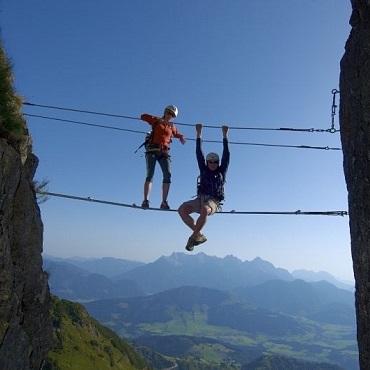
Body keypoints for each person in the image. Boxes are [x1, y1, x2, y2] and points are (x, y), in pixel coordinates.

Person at [178, 123, 230, 251]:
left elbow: (226, 155)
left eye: (215, 162)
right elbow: (198, 153)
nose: (213, 163)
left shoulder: (221, 171)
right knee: (181, 210)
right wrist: (199, 133)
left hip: (214, 201)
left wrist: (225, 135)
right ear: (207, 163)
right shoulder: (203, 169)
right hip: (200, 199)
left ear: (218, 163)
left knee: (204, 210)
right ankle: (198, 235)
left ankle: (193, 237)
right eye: (210, 162)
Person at [140, 105, 186, 210]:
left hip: (164, 152)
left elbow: (177, 133)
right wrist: (153, 119)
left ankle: (164, 202)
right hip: (152, 150)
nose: (170, 115)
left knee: (167, 175)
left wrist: (181, 137)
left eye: (172, 115)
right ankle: (145, 200)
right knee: (150, 174)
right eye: (169, 113)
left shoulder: (172, 127)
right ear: (165, 112)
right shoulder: (156, 121)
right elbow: (143, 116)